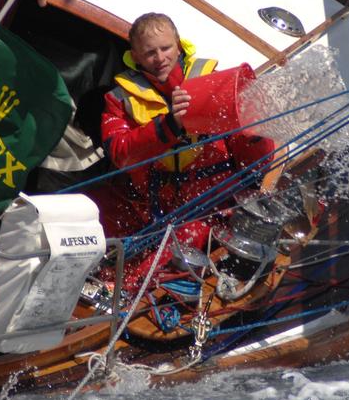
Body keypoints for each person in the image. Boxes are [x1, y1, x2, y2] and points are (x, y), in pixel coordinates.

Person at [99, 13, 273, 246]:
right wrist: (171, 124)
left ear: (179, 47)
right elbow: (121, 154)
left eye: (166, 48)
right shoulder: (118, 99)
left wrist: (256, 132)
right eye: (150, 52)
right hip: (153, 209)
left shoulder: (212, 79)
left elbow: (255, 161)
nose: (160, 58)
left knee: (176, 251)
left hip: (217, 205)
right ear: (135, 57)